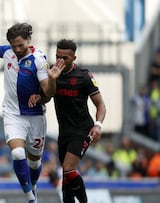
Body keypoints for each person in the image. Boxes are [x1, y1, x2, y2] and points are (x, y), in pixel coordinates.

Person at [0, 6, 65, 203]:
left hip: (35, 116)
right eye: (13, 45)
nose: (16, 49)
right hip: (12, 113)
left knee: (35, 163)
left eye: (20, 46)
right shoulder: (7, 53)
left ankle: (33, 186)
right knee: (17, 153)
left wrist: (50, 83)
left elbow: (49, 93)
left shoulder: (38, 61)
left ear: (28, 40)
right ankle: (30, 198)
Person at [52, 39, 106, 203]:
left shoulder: (84, 76)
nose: (60, 61)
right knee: (66, 178)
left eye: (65, 58)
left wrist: (98, 126)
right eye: (57, 56)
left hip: (82, 130)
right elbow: (45, 95)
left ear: (74, 58)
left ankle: (84, 200)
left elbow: (100, 104)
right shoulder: (52, 73)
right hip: (64, 132)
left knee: (69, 169)